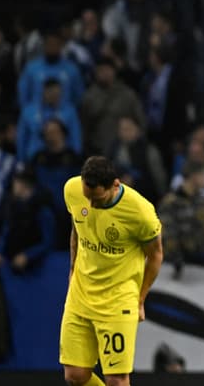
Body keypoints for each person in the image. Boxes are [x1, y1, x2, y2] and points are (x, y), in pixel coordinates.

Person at [61, 156, 165, 386]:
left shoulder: (140, 212)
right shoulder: (72, 190)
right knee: (75, 376)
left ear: (115, 185)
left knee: (116, 380)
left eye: (97, 199)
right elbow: (77, 229)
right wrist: (72, 269)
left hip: (118, 301)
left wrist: (140, 299)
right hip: (80, 295)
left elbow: (156, 254)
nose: (91, 206)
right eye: (88, 198)